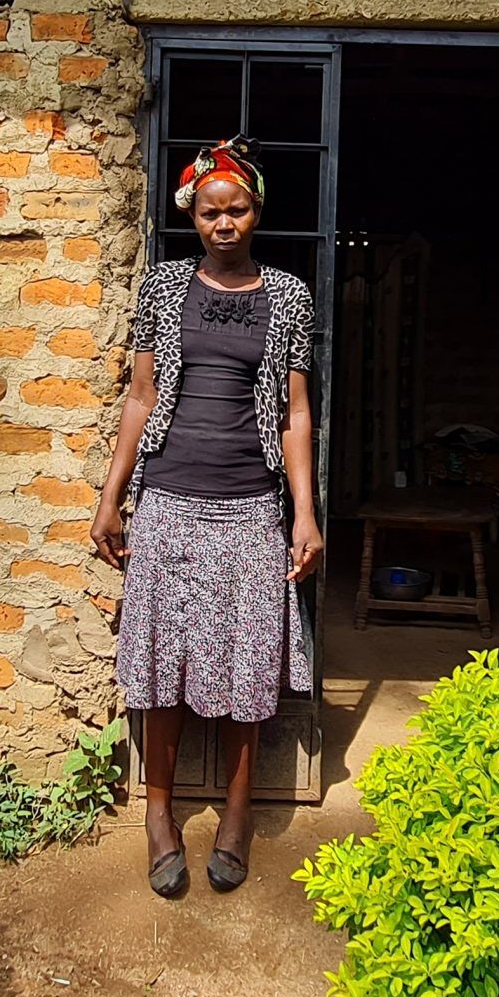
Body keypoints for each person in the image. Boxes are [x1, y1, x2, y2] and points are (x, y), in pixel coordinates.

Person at [90, 137, 324, 898]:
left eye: (240, 209)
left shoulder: (288, 295)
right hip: (169, 499)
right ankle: (158, 812)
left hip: (251, 505)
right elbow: (140, 396)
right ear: (193, 214)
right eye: (211, 211)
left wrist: (304, 513)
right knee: (161, 665)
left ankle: (235, 812)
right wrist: (112, 496)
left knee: (248, 666)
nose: (225, 222)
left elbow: (295, 413)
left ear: (258, 212)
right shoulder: (161, 289)